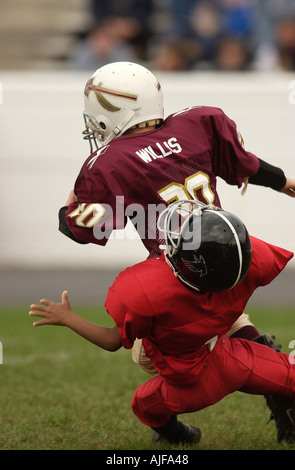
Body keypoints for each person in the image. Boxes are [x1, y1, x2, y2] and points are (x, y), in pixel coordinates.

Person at [58, 61, 295, 345]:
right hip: (235, 252)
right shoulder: (196, 123)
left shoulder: (109, 162)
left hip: (178, 271)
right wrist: (282, 181)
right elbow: (244, 163)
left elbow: (82, 231)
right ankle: (260, 352)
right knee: (224, 309)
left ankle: (232, 360)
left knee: (150, 347)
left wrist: (69, 205)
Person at [30, 201, 295, 444]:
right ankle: (265, 366)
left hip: (192, 384)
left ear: (191, 264)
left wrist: (68, 318)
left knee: (143, 404)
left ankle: (179, 434)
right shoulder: (252, 258)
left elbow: (113, 341)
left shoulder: (148, 291)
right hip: (236, 361)